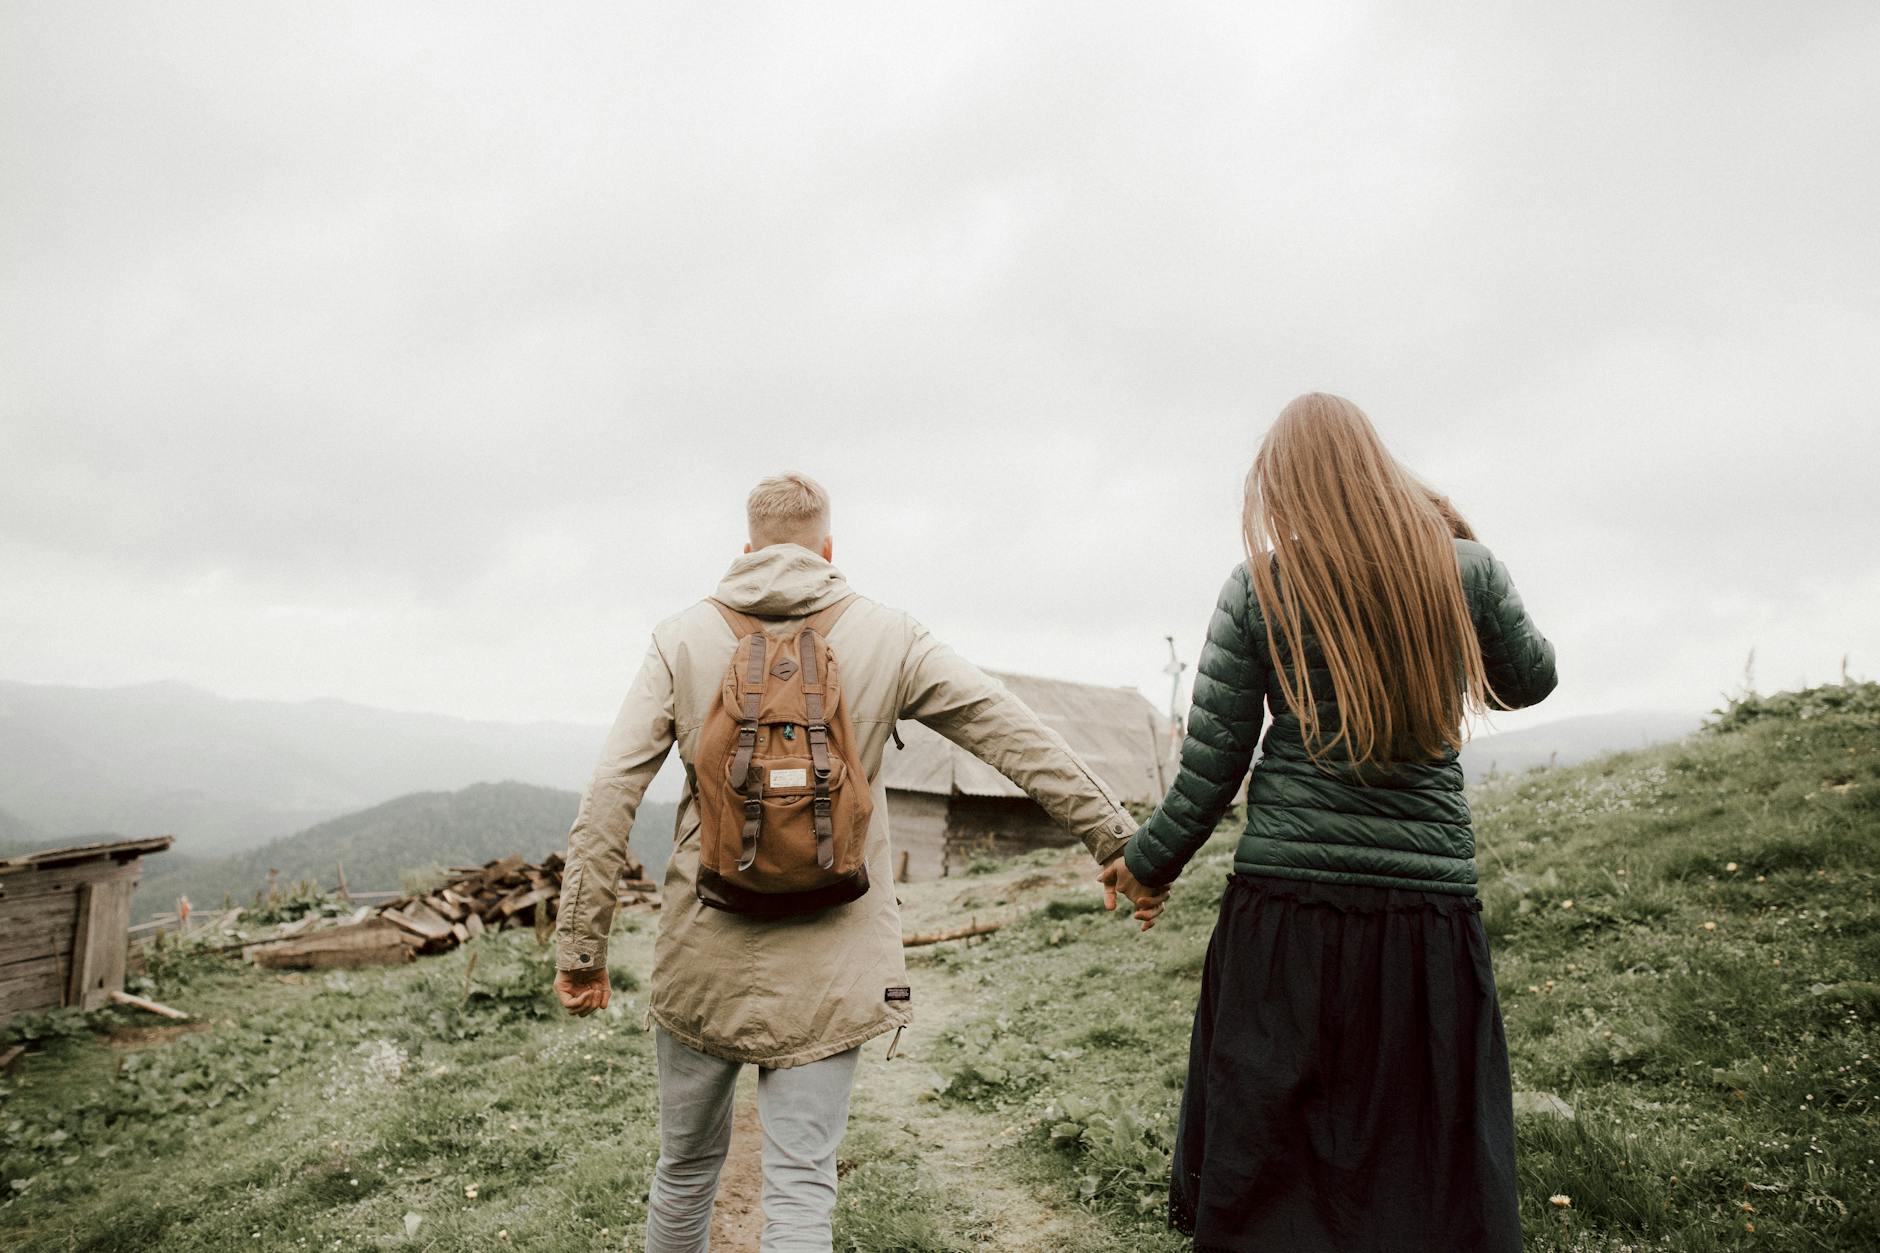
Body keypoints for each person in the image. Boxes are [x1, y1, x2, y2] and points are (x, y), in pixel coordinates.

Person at [551, 472, 1167, 1253]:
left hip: (700, 955)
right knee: (802, 1182)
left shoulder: (681, 639)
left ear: (746, 549)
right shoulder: (889, 635)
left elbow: (611, 791)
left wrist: (581, 949)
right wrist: (1118, 840)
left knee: (685, 1171)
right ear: (828, 549)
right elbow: (1011, 732)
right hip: (836, 961)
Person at [1100, 393, 1557, 1251]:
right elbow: (1532, 678)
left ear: (1285, 489)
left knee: (1273, 1139)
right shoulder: (1463, 570)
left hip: (1287, 911)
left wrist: (1145, 864)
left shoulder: (1259, 587)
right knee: (1417, 1136)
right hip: (1424, 914)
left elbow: (1210, 771)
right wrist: (1457, 537)